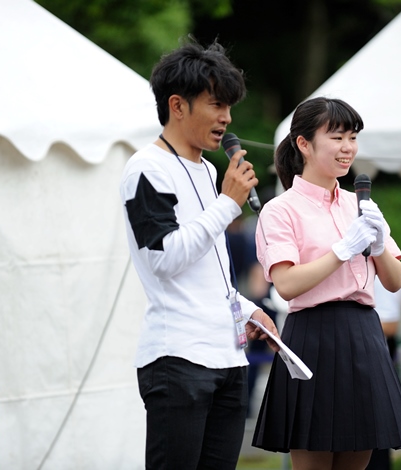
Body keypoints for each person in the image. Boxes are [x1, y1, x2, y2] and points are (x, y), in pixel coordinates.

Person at [119, 39, 279, 470]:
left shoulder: (209, 170)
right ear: (178, 105)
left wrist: (248, 309)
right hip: (178, 360)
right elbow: (163, 258)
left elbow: (209, 270)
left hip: (227, 357)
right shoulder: (146, 168)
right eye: (217, 104)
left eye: (229, 106)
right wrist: (227, 205)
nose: (227, 118)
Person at [252, 97, 401, 470]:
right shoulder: (281, 209)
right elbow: (286, 284)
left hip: (364, 334)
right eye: (337, 137)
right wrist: (342, 250)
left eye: (353, 138)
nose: (348, 148)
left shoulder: (359, 204)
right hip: (313, 336)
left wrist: (379, 244)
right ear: (304, 143)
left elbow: (394, 281)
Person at [366, 278, 401, 470]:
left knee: (372, 438)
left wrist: (347, 324)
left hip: (370, 361)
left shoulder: (373, 271)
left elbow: (391, 325)